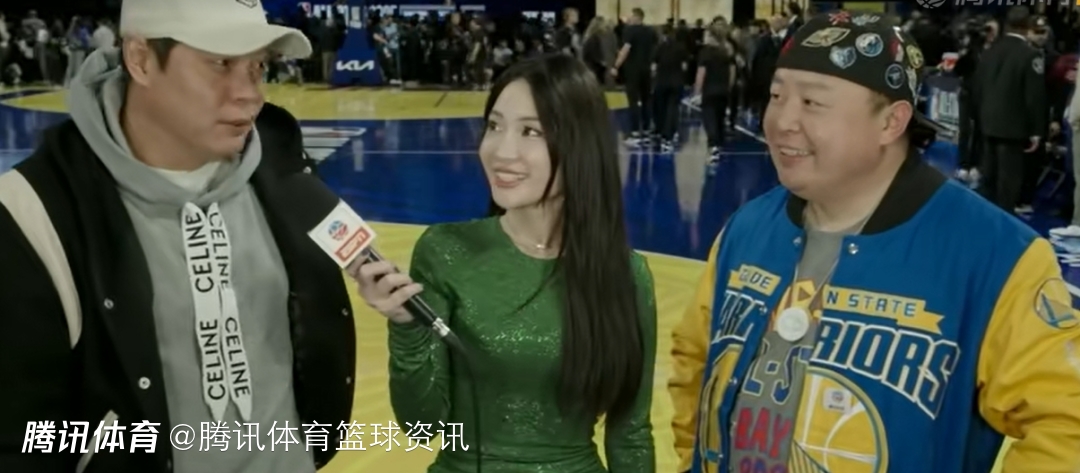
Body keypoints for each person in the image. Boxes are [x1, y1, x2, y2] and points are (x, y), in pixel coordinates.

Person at [669, 11, 1080, 473]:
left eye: (812, 102)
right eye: (777, 96)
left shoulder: (996, 256)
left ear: (891, 121)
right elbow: (694, 363)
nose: (782, 120)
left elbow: (1067, 423)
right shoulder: (746, 228)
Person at [0, 1, 355, 472]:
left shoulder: (283, 169)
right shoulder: (31, 213)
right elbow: (22, 437)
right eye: (220, 63)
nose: (249, 95)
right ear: (141, 59)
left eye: (257, 67)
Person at [350, 54, 658, 472]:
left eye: (531, 131)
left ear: (580, 146)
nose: (500, 151)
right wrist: (407, 327)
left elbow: (631, 433)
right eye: (494, 126)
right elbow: (422, 425)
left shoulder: (627, 275)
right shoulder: (445, 251)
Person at [974, 7, 1047, 215]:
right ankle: (1002, 224)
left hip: (988, 121)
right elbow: (1033, 96)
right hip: (1013, 127)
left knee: (988, 177)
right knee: (1008, 182)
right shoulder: (1030, 55)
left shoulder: (990, 50)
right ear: (1027, 26)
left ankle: (983, 219)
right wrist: (1036, 130)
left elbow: (978, 86)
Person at [612, 8, 658, 147]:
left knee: (633, 100)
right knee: (646, 99)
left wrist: (616, 66)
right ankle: (647, 128)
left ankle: (634, 131)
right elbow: (655, 48)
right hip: (646, 69)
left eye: (631, 16)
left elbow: (625, 49)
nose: (629, 18)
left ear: (637, 17)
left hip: (633, 70)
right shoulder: (651, 31)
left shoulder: (629, 31)